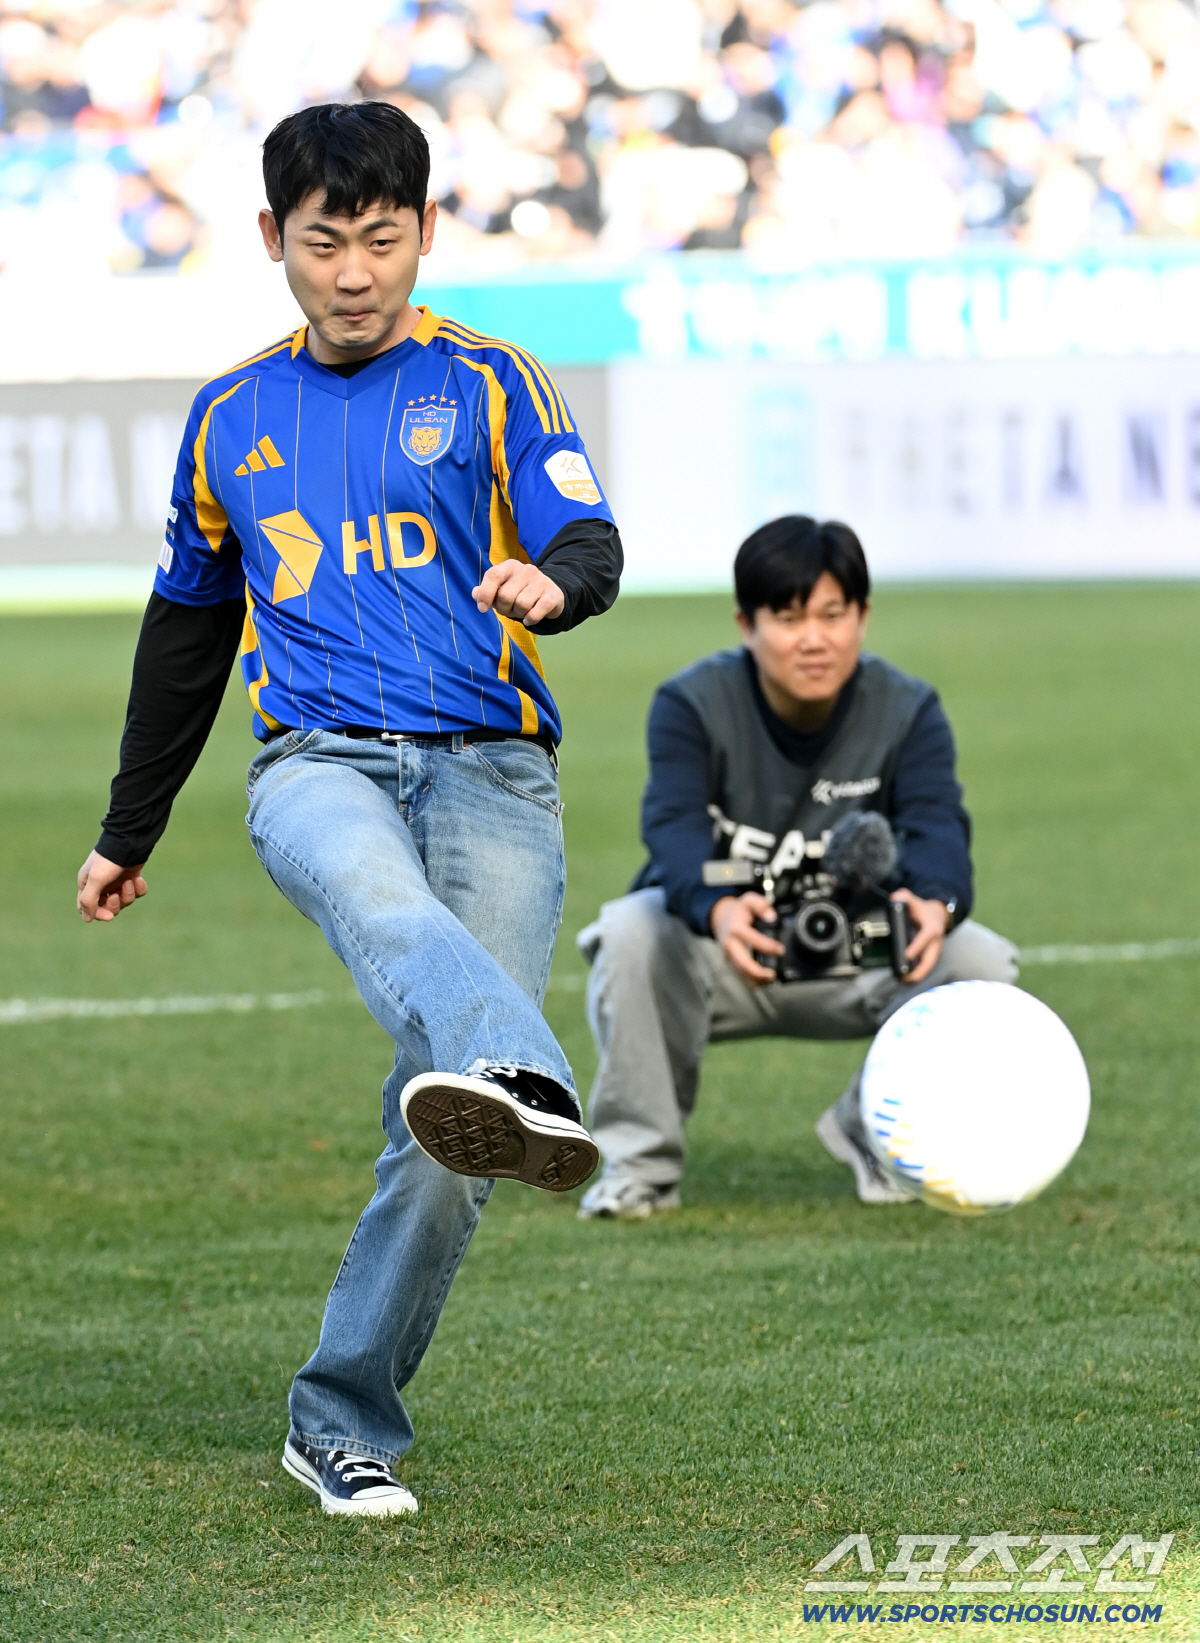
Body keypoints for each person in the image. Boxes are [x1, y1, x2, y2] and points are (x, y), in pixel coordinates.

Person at [74, 102, 622, 1516]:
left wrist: (555, 582)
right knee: (386, 910)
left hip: (495, 772)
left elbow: (584, 526)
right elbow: (185, 635)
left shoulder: (496, 380)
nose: (358, 269)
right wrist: (129, 828)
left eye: (385, 237)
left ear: (426, 232)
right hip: (316, 763)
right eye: (329, 240)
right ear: (275, 241)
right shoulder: (228, 418)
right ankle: (530, 1062)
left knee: (446, 1137)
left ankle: (339, 1417)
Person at [576, 515, 1016, 1220]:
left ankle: (872, 1131)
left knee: (982, 965)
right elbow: (672, 829)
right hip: (726, 950)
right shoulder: (691, 704)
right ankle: (640, 1170)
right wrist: (717, 910)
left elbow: (938, 824)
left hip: (863, 950)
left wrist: (934, 901)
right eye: (787, 616)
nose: (813, 637)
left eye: (832, 614)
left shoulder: (908, 710)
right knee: (629, 929)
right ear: (746, 623)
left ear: (863, 617)